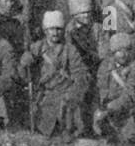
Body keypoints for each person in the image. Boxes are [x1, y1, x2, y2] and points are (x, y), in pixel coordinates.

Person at [22, 10, 89, 139]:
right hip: (44, 93)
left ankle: (67, 130)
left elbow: (79, 72)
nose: (55, 33)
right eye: (51, 29)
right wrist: (25, 62)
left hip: (64, 91)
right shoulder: (37, 47)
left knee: (68, 108)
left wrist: (74, 91)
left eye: (58, 29)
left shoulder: (70, 49)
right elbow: (23, 74)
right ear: (45, 30)